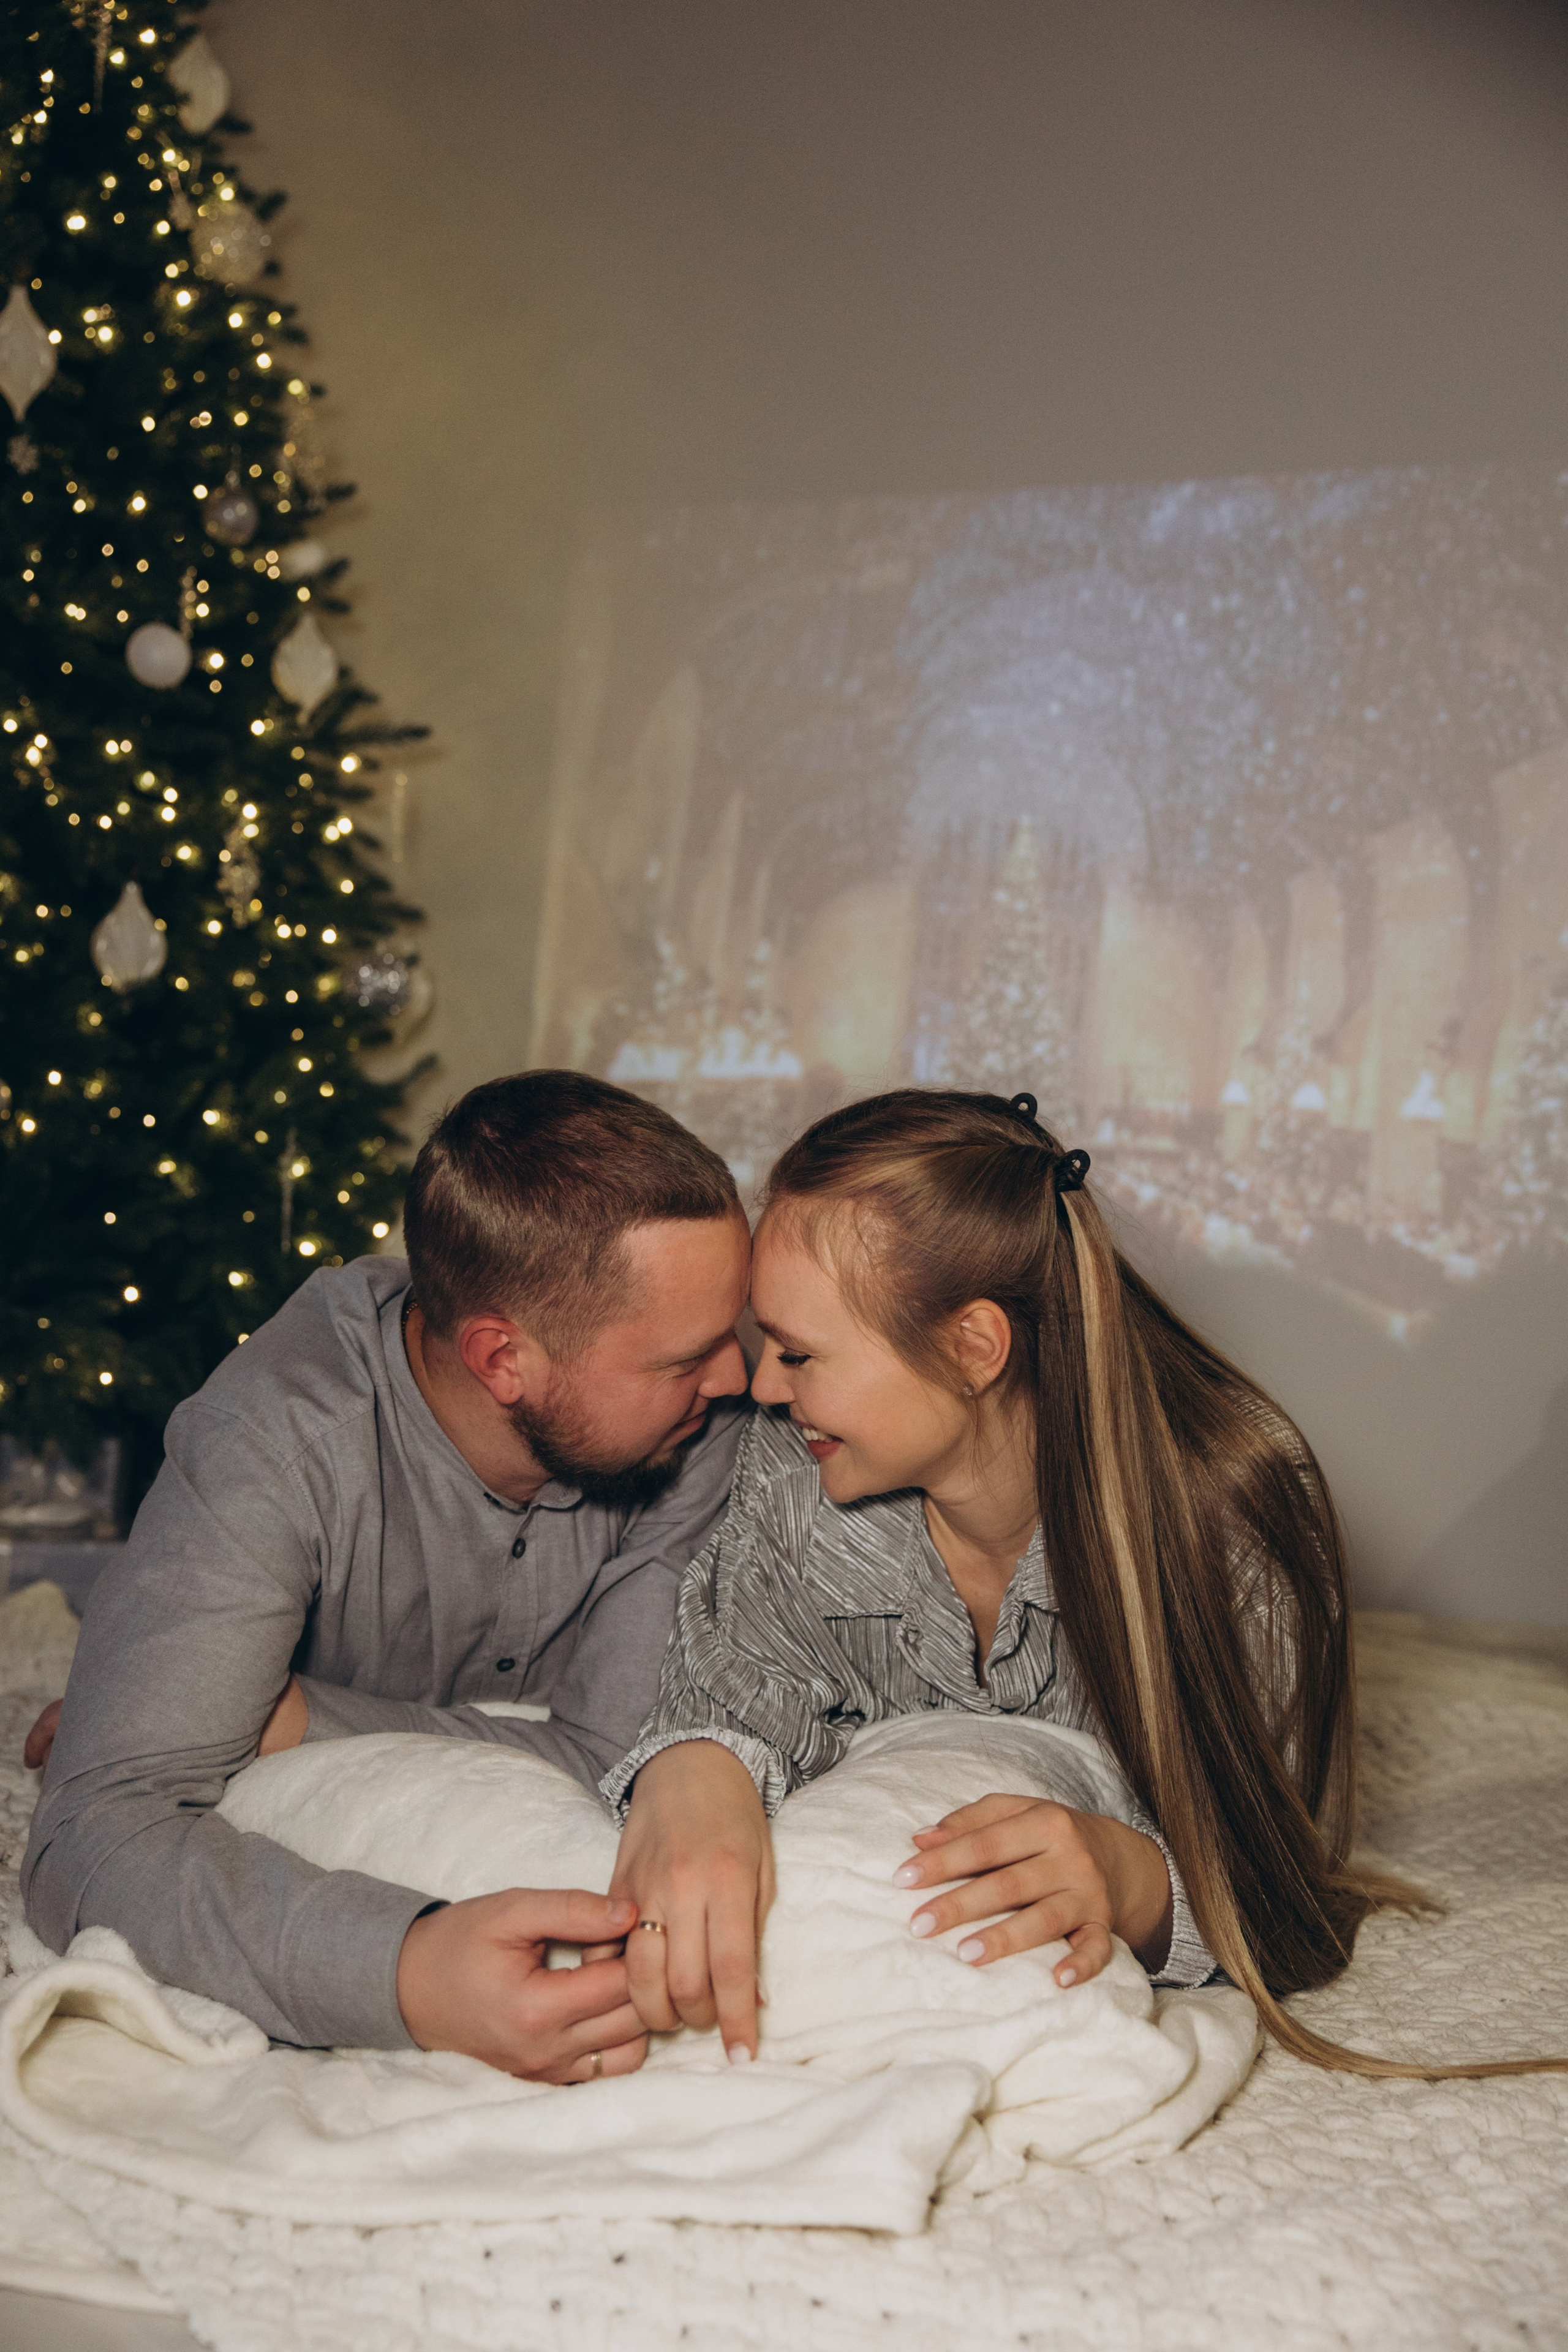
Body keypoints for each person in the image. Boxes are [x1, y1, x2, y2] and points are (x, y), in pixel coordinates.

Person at [603, 1087, 1562, 2082]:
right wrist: (695, 1768)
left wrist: (1133, 1882)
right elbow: (728, 1694)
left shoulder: (1232, 1520)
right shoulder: (790, 1471)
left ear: (974, 1348)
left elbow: (1284, 1897)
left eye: (800, 1353)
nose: (762, 1387)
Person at [23, 1070, 752, 2082]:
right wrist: (404, 1969)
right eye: (686, 1359)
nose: (741, 1379)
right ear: (503, 1360)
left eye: (732, 1332)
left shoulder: (699, 1427)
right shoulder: (272, 1442)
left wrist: (299, 1717)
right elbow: (87, 1840)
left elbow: (613, 1752)